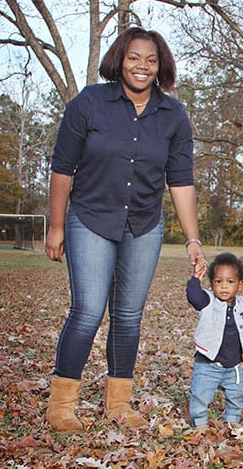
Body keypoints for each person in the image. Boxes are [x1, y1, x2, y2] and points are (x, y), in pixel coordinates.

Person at [44, 26, 204, 432]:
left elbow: (181, 180)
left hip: (144, 225)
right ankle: (62, 404)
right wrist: (56, 226)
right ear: (120, 59)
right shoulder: (90, 103)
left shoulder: (173, 115)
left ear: (161, 66)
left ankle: (118, 403)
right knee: (88, 311)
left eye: (151, 60)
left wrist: (193, 238)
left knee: (129, 316)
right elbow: (62, 168)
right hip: (90, 218)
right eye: (134, 57)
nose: (142, 66)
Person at [186, 252, 243, 430]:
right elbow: (193, 297)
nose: (224, 287)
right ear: (212, 284)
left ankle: (232, 419)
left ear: (240, 284)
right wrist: (196, 277)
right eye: (218, 282)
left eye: (230, 282)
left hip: (233, 365)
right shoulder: (207, 301)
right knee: (200, 395)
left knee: (237, 393)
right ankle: (200, 422)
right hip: (207, 363)